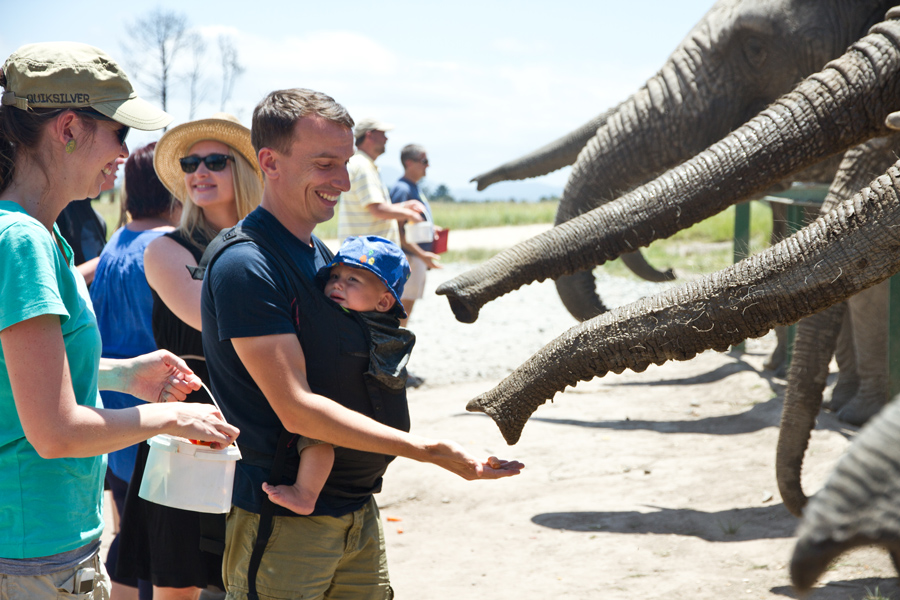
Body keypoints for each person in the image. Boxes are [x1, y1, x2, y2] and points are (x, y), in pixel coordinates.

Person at [200, 88, 522, 600]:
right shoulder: (248, 265)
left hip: (354, 512)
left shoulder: (322, 257)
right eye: (325, 164)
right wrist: (428, 451)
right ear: (269, 162)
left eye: (345, 164)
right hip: (288, 523)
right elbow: (298, 410)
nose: (342, 182)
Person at [0, 41, 238, 600]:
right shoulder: (22, 241)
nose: (126, 155)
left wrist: (125, 373)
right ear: (68, 129)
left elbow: (22, 370)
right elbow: (56, 432)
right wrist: (169, 418)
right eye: (120, 134)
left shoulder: (38, 232)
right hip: (34, 550)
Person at [115, 113, 263, 600]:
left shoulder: (269, 246)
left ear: (243, 170)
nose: (198, 171)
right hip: (187, 421)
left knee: (248, 573)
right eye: (190, 163)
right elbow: (212, 319)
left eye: (214, 161)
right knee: (177, 579)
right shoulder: (166, 249)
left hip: (257, 419)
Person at [262, 235, 413, 515]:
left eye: (353, 279)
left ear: (383, 302)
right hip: (383, 436)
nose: (338, 284)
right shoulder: (390, 332)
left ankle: (305, 494)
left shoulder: (343, 323)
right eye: (334, 275)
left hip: (345, 427)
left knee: (315, 436)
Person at [89, 142, 182, 600]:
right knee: (160, 561)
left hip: (114, 421)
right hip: (155, 422)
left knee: (129, 541)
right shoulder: (166, 248)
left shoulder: (119, 240)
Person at [336, 117, 426, 244]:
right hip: (368, 254)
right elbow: (377, 209)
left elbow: (373, 207)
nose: (386, 139)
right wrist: (410, 214)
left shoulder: (360, 163)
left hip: (364, 251)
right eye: (383, 134)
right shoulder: (364, 166)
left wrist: (403, 206)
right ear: (370, 135)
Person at [389, 145, 442, 325]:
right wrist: (422, 254)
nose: (428, 165)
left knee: (407, 306)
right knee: (402, 307)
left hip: (415, 257)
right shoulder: (403, 189)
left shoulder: (412, 187)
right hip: (409, 258)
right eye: (424, 161)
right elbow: (397, 232)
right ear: (409, 163)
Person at [55, 157, 121, 285]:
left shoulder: (99, 219)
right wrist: (111, 257)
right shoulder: (58, 211)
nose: (120, 161)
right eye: (113, 157)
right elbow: (60, 282)